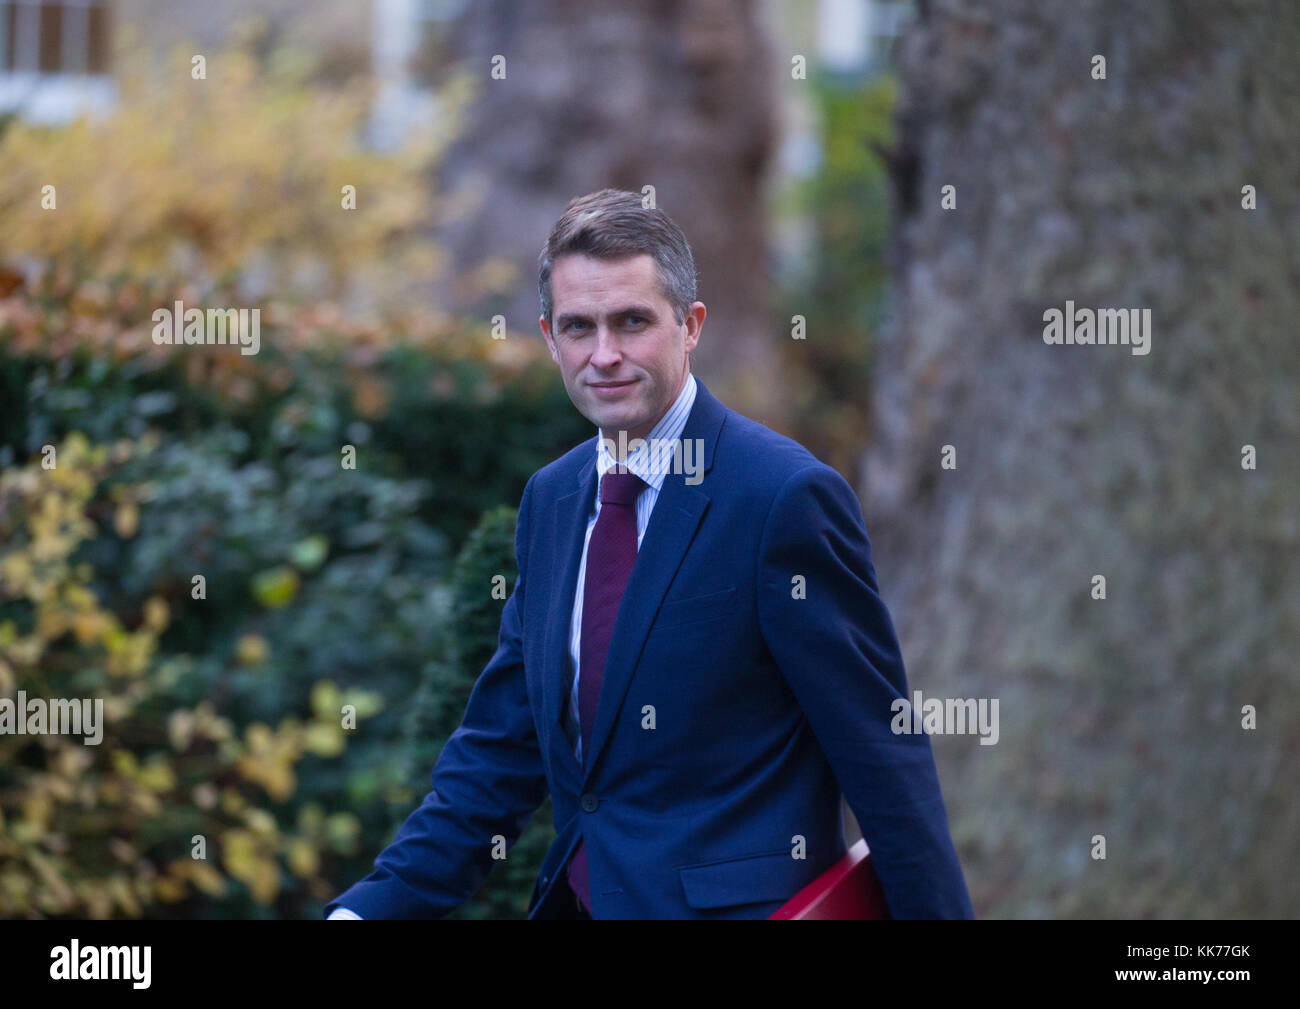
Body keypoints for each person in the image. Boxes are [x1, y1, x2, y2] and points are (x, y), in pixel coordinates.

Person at [325, 189, 973, 919]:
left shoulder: (782, 497)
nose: (604, 354)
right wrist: (367, 911)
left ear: (690, 325)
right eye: (578, 327)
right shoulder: (552, 500)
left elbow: (883, 759)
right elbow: (502, 750)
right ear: (549, 337)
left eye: (631, 322)